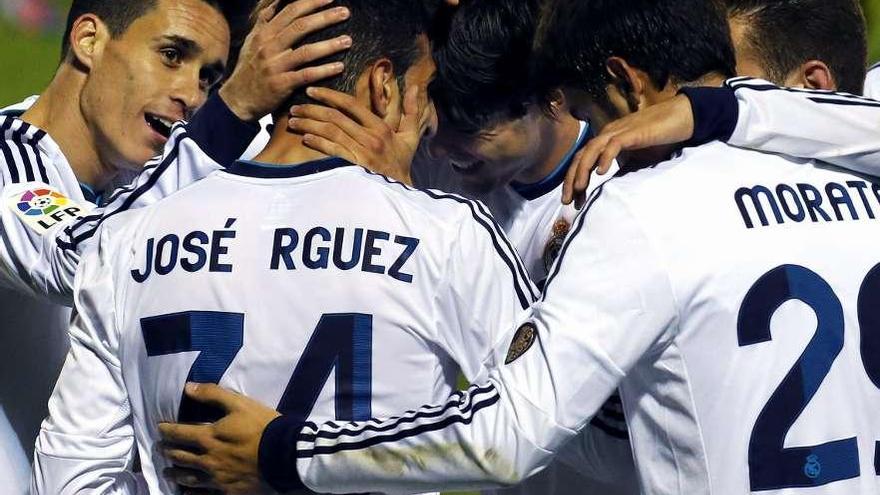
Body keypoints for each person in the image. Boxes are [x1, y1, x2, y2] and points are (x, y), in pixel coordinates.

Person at [157, 0, 880, 493]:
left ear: (624, 84)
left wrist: (287, 450)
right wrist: (720, 111)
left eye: (595, 117)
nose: (602, 144)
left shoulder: (643, 211)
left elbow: (507, 436)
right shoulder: (858, 177)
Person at [30, 1, 551, 493]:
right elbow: (542, 418)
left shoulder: (125, 243)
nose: (432, 118)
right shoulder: (448, 235)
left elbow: (70, 481)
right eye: (425, 88)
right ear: (383, 86)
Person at [0, 0, 351, 490]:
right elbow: (87, 261)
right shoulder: (9, 163)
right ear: (89, 41)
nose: (191, 93)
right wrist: (231, 113)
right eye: (171, 55)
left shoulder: (163, 168)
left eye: (209, 78)